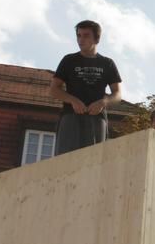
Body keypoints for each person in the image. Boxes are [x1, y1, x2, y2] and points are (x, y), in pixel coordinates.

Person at [50, 20, 123, 154]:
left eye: (86, 35)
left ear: (97, 39)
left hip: (96, 119)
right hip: (70, 117)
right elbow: (54, 89)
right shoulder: (68, 60)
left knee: (93, 161)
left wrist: (103, 102)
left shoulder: (107, 63)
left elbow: (117, 94)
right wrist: (72, 100)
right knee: (65, 161)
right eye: (79, 35)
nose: (80, 39)